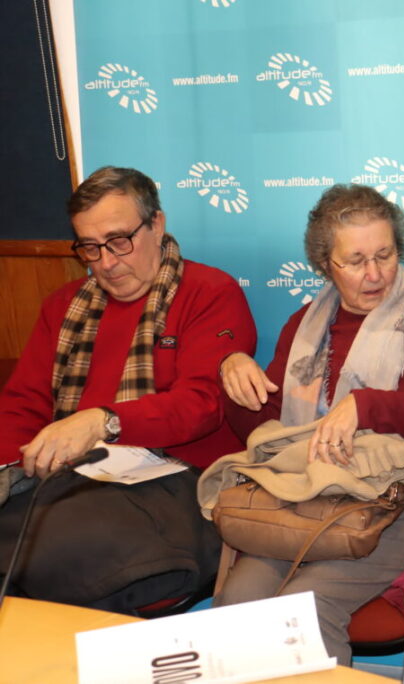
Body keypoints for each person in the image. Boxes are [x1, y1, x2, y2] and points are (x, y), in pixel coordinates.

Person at [213, 183, 404, 665]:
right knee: (237, 604)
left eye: (385, 255)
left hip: (402, 503)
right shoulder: (304, 325)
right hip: (309, 494)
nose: (375, 274)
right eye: (356, 261)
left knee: (303, 610)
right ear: (325, 263)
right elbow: (269, 431)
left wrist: (364, 406)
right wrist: (236, 379)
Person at [0, 166, 257, 612]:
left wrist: (104, 422)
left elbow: (201, 405)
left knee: (74, 547)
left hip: (176, 478)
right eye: (90, 247)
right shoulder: (63, 306)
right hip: (73, 478)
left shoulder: (210, 292)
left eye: (119, 241)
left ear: (156, 224)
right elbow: (23, 404)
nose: (106, 262)